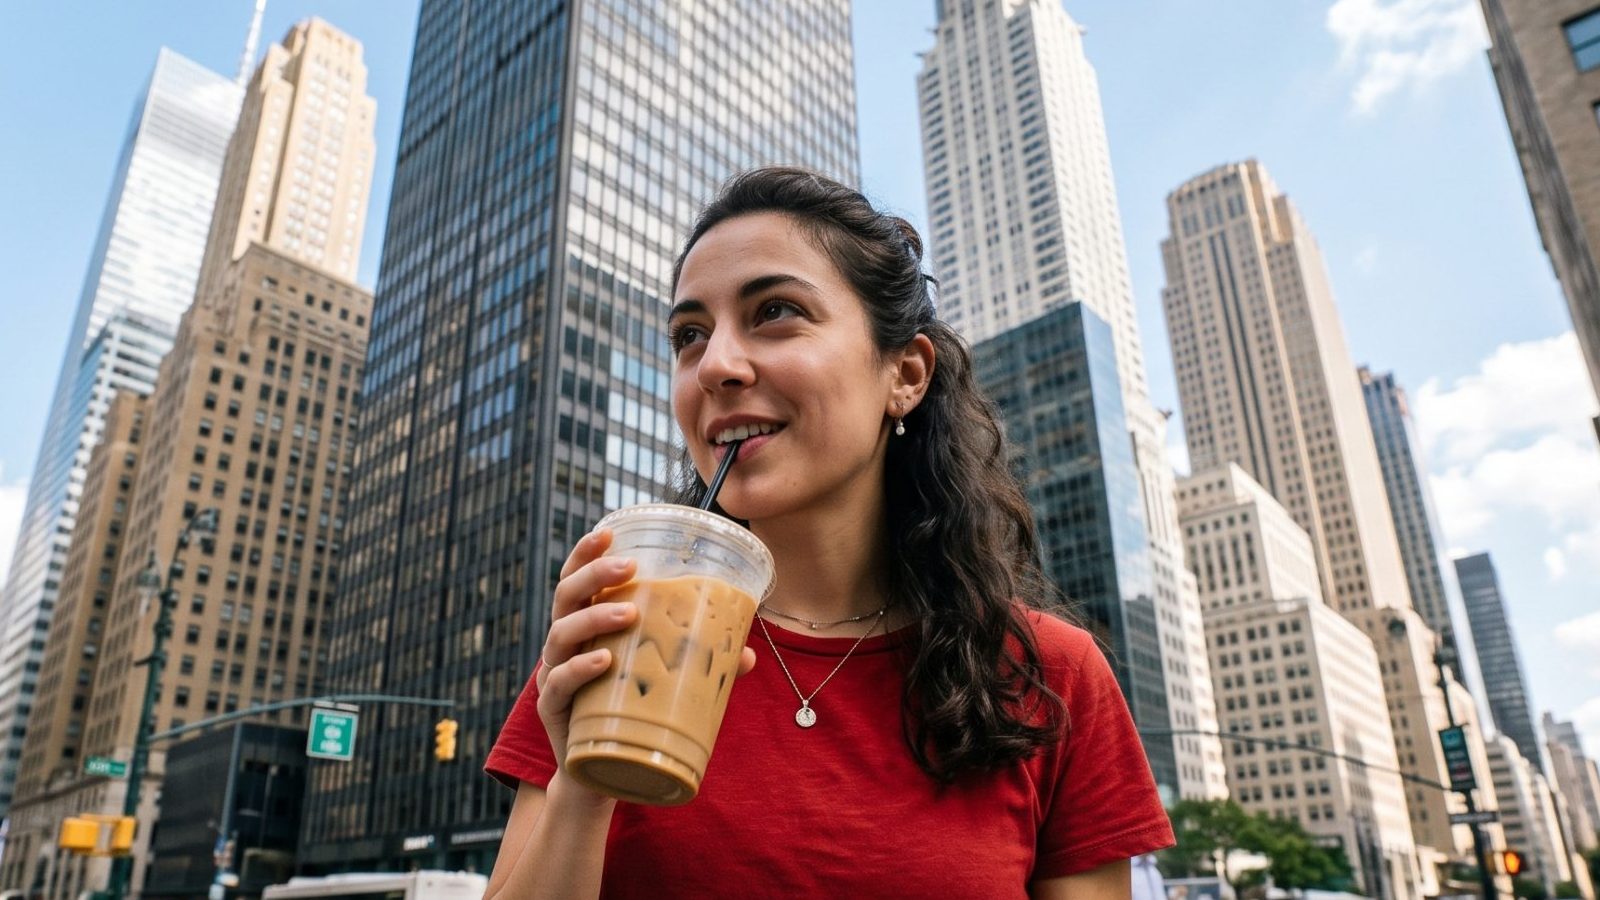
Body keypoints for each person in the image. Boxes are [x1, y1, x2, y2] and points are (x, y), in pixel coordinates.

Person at [484, 167, 1174, 898]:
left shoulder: (1051, 675)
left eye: (776, 311)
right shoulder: (615, 635)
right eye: (690, 334)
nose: (714, 364)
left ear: (904, 373)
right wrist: (582, 785)